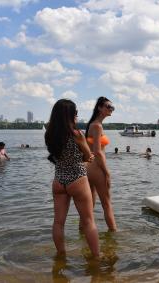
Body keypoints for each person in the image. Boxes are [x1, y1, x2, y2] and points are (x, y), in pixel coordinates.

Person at [44, 99, 99, 258]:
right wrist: (88, 157)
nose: (77, 116)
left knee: (58, 222)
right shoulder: (77, 134)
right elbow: (88, 156)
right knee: (88, 222)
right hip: (78, 179)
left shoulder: (49, 134)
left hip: (59, 180)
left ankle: (61, 256)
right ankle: (96, 257)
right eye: (75, 113)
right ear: (70, 115)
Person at [85, 97, 117, 232]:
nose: (111, 109)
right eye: (108, 106)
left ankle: (83, 232)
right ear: (99, 108)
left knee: (89, 206)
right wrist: (107, 172)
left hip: (87, 168)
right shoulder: (97, 126)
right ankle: (114, 234)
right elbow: (98, 152)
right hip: (97, 168)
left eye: (112, 107)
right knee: (106, 204)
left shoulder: (91, 124)